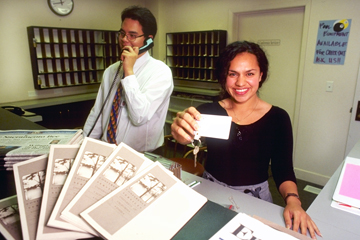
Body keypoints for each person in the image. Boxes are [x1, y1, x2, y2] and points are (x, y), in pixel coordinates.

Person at [171, 41, 321, 239]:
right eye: (233, 74)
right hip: (210, 190)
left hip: (256, 199)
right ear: (224, 77)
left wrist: (293, 201)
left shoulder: (277, 118)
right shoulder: (208, 111)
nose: (241, 83)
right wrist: (179, 133)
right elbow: (186, 137)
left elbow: (283, 168)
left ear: (261, 75)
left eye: (249, 73)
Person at [83, 6, 173, 152]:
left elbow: (139, 117)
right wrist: (84, 145)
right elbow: (97, 113)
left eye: (132, 35)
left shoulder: (161, 72)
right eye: (122, 33)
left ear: (148, 41)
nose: (124, 40)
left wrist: (129, 72)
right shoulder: (111, 71)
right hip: (107, 149)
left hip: (143, 155)